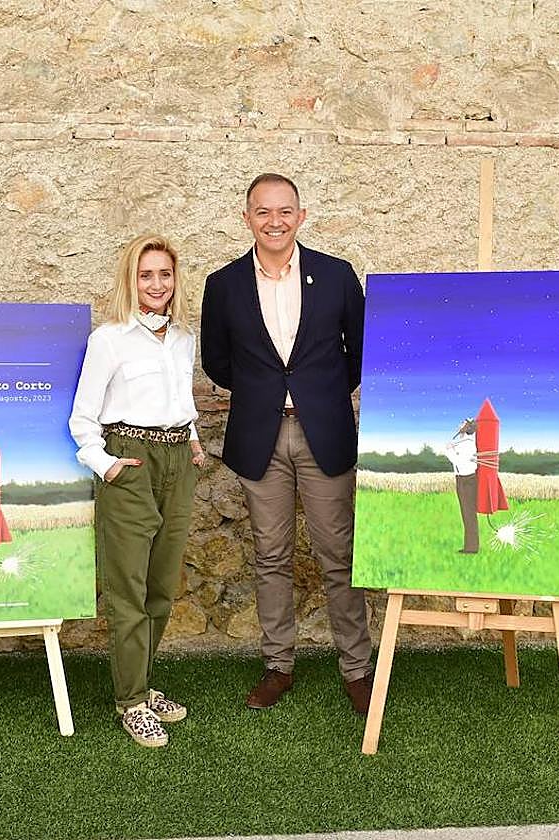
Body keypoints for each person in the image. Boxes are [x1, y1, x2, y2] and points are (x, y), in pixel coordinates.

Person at [200, 173, 374, 715]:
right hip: (260, 436)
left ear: (300, 216)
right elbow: (217, 361)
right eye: (262, 212)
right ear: (246, 217)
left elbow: (361, 351)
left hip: (325, 431)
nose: (274, 221)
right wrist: (265, 393)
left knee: (338, 554)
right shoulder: (223, 284)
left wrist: (316, 393)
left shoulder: (337, 275)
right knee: (270, 554)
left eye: (284, 211)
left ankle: (358, 668)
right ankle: (278, 665)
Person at [68, 233, 206, 748]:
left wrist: (192, 443)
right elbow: (83, 417)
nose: (156, 284)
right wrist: (104, 465)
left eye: (164, 274)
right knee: (128, 588)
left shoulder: (182, 338)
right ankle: (130, 701)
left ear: (175, 280)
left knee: (162, 584)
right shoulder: (109, 339)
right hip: (129, 458)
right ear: (131, 279)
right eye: (146, 274)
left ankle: (145, 686)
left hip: (177, 459)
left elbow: (180, 401)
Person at [443, 419, 479, 553]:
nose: (459, 424)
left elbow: (458, 460)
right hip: (463, 479)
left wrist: (449, 451)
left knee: (468, 513)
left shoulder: (467, 445)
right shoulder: (463, 443)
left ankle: (471, 547)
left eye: (462, 423)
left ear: (466, 428)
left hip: (466, 480)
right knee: (466, 513)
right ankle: (470, 546)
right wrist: (452, 448)